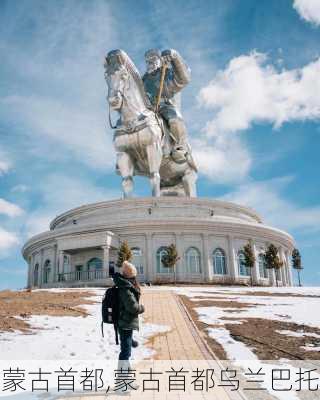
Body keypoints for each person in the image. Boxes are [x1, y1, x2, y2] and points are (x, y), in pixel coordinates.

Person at [142, 48, 191, 146]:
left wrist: (175, 57)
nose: (150, 62)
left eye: (153, 59)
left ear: (160, 60)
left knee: (175, 117)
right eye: (148, 61)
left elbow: (184, 79)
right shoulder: (144, 79)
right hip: (148, 109)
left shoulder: (167, 73)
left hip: (164, 106)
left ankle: (180, 146)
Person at [112, 261, 145, 374]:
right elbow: (133, 308)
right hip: (125, 323)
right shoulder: (125, 288)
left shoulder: (125, 285)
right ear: (130, 276)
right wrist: (142, 308)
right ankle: (122, 384)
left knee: (126, 352)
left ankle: (127, 379)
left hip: (124, 322)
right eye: (134, 276)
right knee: (125, 353)